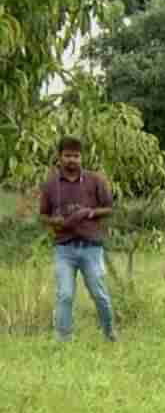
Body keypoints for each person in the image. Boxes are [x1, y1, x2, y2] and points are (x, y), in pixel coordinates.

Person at [38, 136, 116, 343]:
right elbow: (42, 215)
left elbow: (109, 208)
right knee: (64, 295)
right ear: (59, 157)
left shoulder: (95, 179)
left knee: (99, 294)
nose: (72, 160)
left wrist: (88, 213)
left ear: (82, 157)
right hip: (64, 248)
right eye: (67, 156)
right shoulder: (50, 184)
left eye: (76, 156)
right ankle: (63, 340)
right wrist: (55, 221)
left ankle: (110, 335)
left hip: (92, 247)